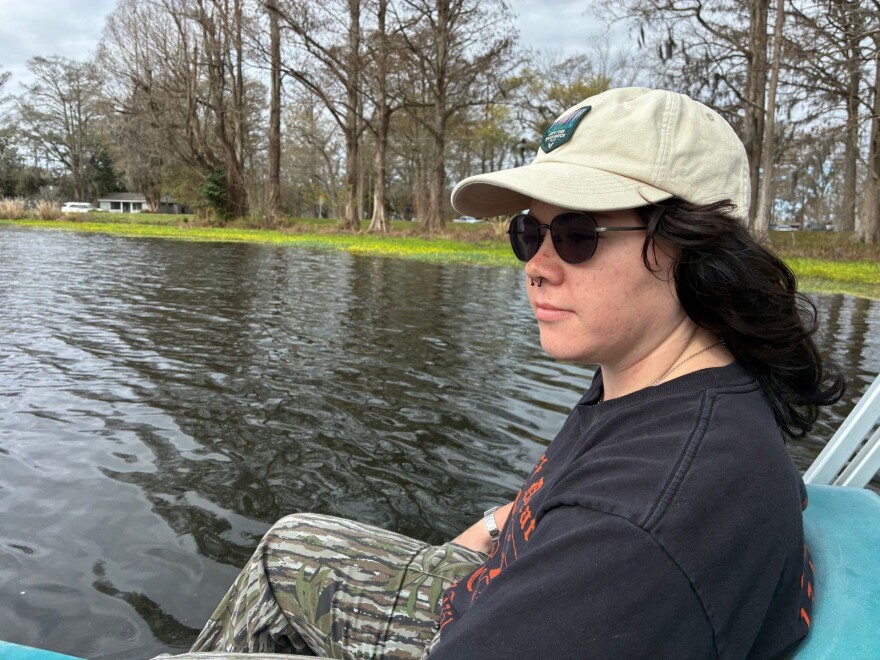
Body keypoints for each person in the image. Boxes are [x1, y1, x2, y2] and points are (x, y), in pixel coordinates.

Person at [158, 87, 843, 660]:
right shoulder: (659, 374)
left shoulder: (637, 532)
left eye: (576, 235)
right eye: (528, 232)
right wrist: (485, 532)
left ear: (696, 245)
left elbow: (620, 529)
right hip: (496, 588)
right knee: (287, 548)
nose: (537, 265)